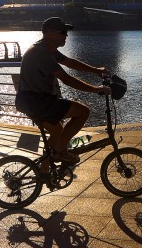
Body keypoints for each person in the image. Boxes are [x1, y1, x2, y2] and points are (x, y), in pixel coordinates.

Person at [15, 17, 111, 163]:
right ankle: (60, 152)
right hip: (37, 101)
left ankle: (44, 171)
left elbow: (69, 62)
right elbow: (66, 79)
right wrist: (96, 89)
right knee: (83, 112)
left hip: (31, 100)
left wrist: (95, 70)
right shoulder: (41, 53)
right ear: (50, 33)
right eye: (63, 32)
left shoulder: (47, 49)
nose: (66, 35)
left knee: (57, 131)